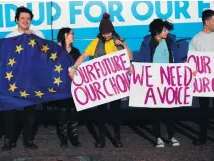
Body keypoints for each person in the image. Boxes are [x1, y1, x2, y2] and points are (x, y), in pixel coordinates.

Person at [69, 13, 133, 148]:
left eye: (109, 33)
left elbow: (130, 57)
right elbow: (84, 55)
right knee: (101, 113)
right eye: (104, 34)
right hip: (102, 86)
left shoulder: (118, 40)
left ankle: (117, 138)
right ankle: (101, 139)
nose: (107, 36)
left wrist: (122, 44)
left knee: (116, 112)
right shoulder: (96, 41)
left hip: (116, 85)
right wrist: (74, 67)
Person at [2, 6, 45, 151]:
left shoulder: (38, 34)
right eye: (23, 18)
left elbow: (44, 54)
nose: (26, 21)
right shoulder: (9, 36)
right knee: (10, 111)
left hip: (31, 79)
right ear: (16, 20)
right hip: (13, 80)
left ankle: (28, 140)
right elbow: (4, 58)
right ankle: (9, 140)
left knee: (30, 112)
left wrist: (35, 39)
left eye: (28, 18)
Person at [138, 18, 181, 148]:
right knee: (155, 111)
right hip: (154, 81)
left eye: (167, 29)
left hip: (169, 80)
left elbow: (177, 58)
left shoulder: (170, 40)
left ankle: (171, 136)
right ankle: (158, 137)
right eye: (164, 30)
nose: (167, 32)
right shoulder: (147, 42)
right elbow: (142, 61)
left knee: (171, 111)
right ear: (157, 31)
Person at [189, 9, 214, 146]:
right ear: (207, 22)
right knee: (203, 111)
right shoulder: (196, 39)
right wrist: (193, 70)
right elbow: (191, 60)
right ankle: (202, 137)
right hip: (203, 83)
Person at [55, 27, 82, 147]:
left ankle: (74, 137)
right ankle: (64, 137)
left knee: (74, 112)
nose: (74, 36)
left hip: (74, 86)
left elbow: (81, 67)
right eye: (72, 34)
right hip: (61, 87)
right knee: (62, 113)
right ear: (65, 35)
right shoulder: (57, 50)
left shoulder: (76, 51)